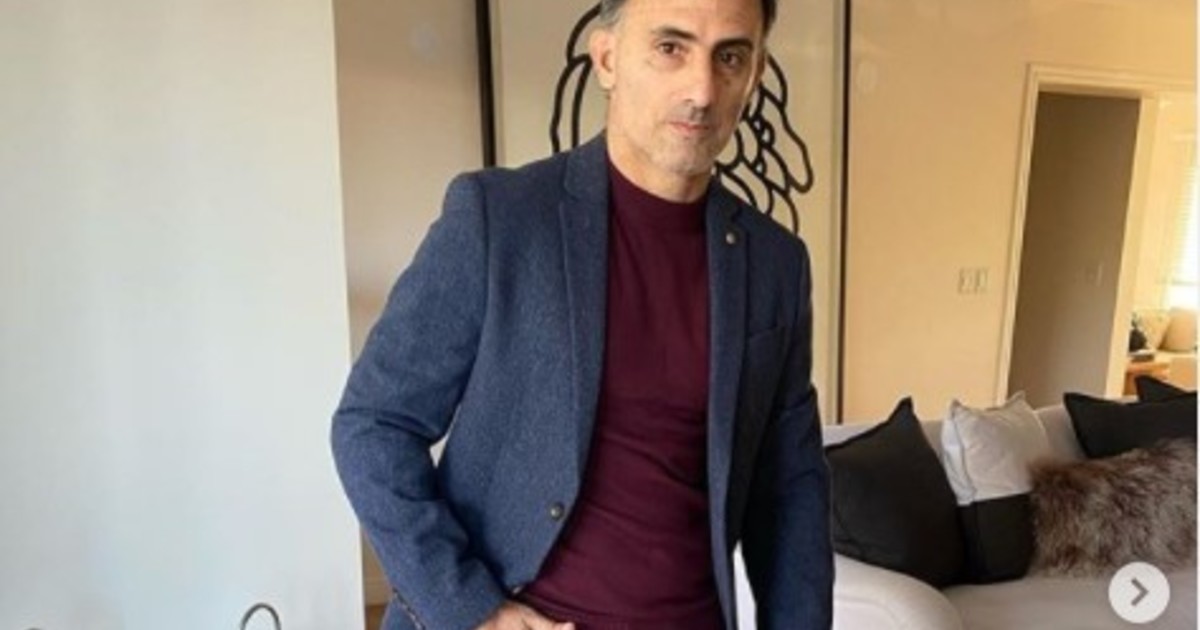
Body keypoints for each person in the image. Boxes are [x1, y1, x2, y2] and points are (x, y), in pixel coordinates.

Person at [331, 0, 833, 628]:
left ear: (754, 73)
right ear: (607, 58)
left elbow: (789, 492)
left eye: (729, 57)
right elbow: (373, 425)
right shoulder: (499, 219)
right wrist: (473, 611)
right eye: (671, 48)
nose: (702, 90)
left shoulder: (776, 264)